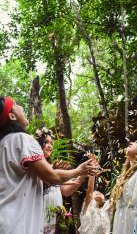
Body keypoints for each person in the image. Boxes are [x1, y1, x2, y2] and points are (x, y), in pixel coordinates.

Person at [0, 96, 98, 234]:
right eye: (16, 105)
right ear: (12, 116)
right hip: (18, 225)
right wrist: (78, 170)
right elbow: (51, 177)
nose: (21, 107)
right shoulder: (22, 139)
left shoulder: (3, 143)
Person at [79, 138, 137, 234]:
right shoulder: (124, 176)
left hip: (133, 221)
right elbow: (107, 202)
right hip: (120, 222)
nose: (130, 142)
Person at [35, 127, 88, 234]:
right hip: (39, 210)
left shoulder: (55, 165)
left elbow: (66, 191)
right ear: (39, 144)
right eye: (46, 142)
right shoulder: (34, 165)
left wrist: (83, 174)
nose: (50, 146)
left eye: (51, 143)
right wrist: (53, 172)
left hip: (56, 212)